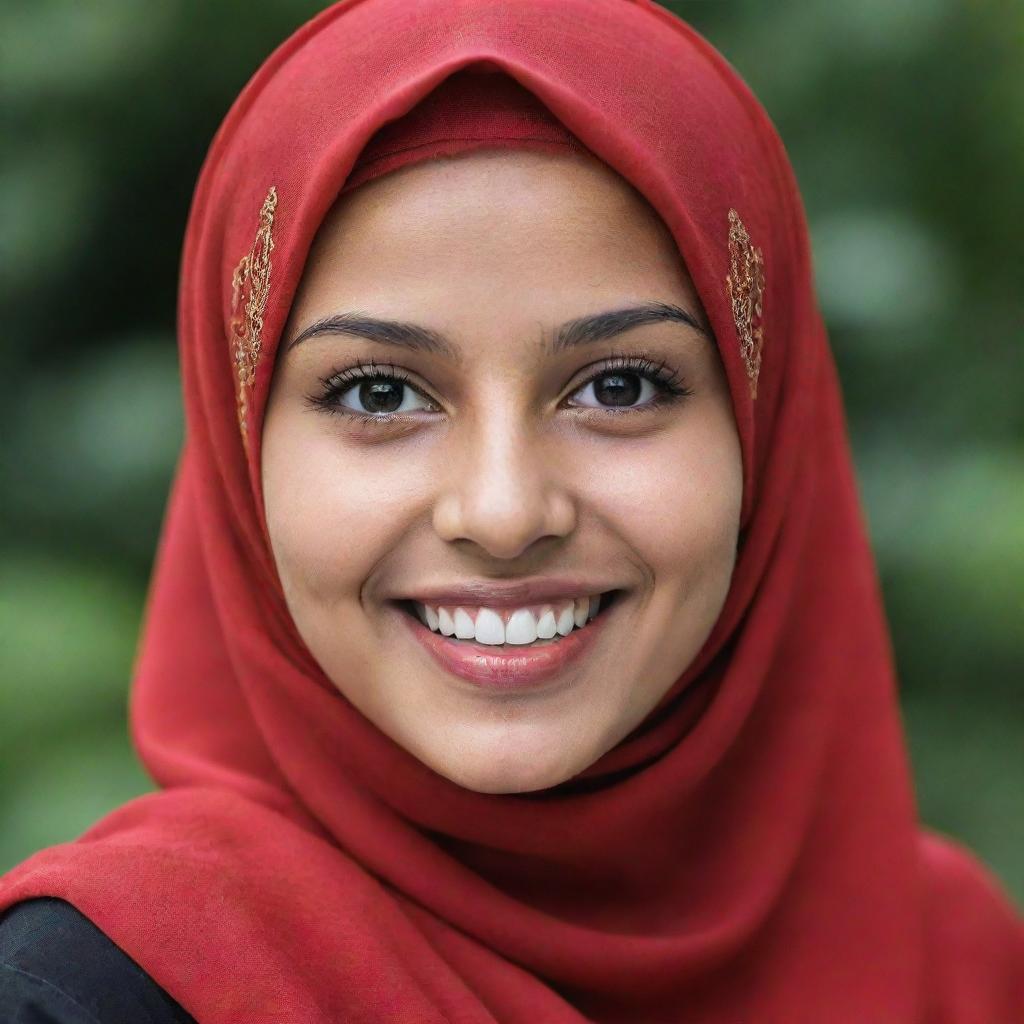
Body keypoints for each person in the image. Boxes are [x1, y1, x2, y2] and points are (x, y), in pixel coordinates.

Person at [1, 1, 1021, 1021]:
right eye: (379, 392)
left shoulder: (966, 971)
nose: (500, 511)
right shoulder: (91, 992)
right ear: (241, 448)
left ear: (760, 428)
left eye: (618, 387)